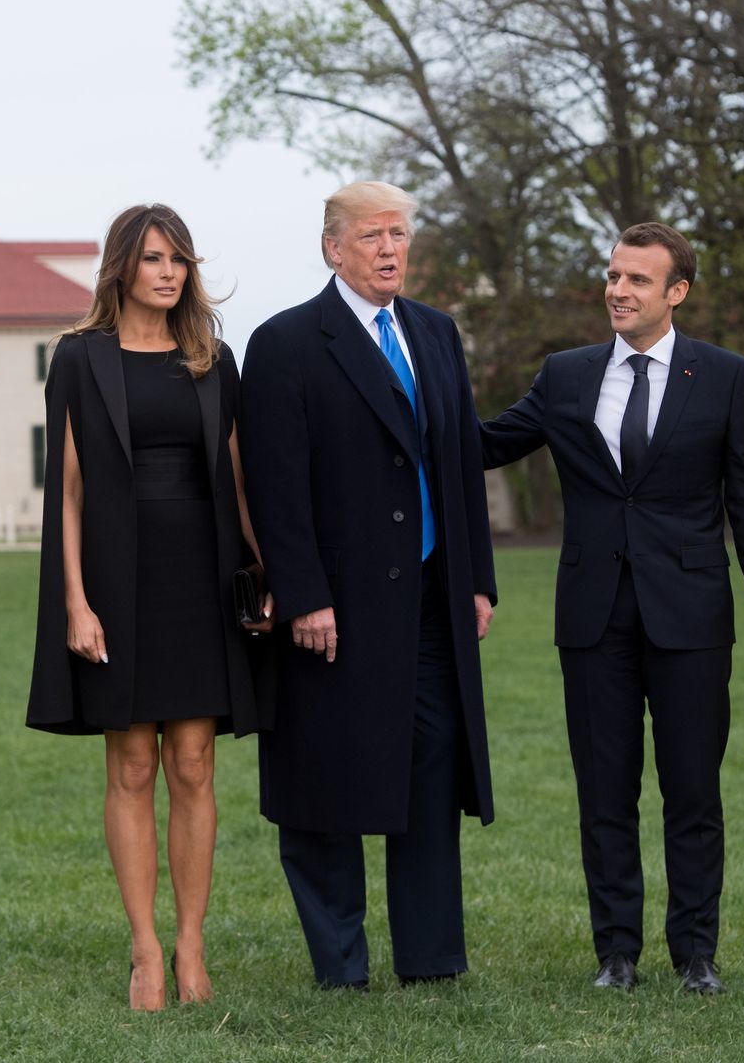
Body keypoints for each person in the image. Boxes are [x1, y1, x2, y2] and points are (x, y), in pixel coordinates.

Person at [481, 222, 744, 994]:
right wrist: (399, 408)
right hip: (592, 616)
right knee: (605, 792)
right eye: (613, 275)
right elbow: (484, 444)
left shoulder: (723, 375)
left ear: (676, 292)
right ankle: (615, 954)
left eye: (636, 280)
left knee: (693, 792)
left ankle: (697, 954)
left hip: (692, 616)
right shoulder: (564, 374)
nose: (618, 291)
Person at [240, 181, 497, 990]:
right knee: (325, 779)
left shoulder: (435, 332)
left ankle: (430, 960)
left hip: (429, 597)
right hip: (335, 607)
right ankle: (340, 965)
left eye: (401, 235)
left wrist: (477, 581)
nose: (391, 249)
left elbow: (457, 464)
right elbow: (274, 485)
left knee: (430, 767)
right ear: (333, 248)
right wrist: (305, 594)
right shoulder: (285, 343)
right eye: (373, 236)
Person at [25, 204, 271, 1012]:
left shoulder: (211, 359)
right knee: (132, 764)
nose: (169, 273)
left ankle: (192, 945)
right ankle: (143, 954)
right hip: (116, 581)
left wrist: (265, 574)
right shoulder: (79, 359)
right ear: (122, 267)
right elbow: (65, 489)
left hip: (201, 580)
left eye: (180, 261)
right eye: (155, 259)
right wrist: (75, 601)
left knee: (194, 765)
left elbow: (239, 482)